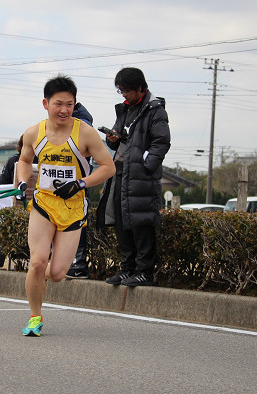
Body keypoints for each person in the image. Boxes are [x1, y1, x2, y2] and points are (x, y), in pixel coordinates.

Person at [16, 75, 115, 336]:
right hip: (43, 204)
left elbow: (108, 167)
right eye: (58, 104)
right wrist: (21, 183)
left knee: (58, 273)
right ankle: (35, 317)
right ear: (45, 103)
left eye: (69, 104)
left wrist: (81, 184)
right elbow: (24, 160)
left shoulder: (85, 132)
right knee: (37, 262)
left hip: (72, 207)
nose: (64, 110)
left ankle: (36, 279)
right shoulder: (33, 133)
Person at [97, 67, 171, 287]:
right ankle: (127, 268)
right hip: (121, 170)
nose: (124, 95)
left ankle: (144, 272)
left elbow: (162, 143)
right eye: (121, 91)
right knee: (121, 222)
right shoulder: (125, 109)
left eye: (127, 90)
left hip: (141, 175)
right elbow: (117, 139)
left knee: (141, 223)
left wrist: (146, 165)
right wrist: (112, 138)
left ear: (140, 87)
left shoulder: (155, 110)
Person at [65, 102, 94, 279]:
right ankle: (72, 264)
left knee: (76, 225)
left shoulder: (83, 127)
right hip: (63, 186)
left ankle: (78, 264)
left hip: (77, 187)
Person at [0, 135, 24, 269]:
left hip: (36, 204)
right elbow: (3, 181)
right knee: (3, 226)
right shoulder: (13, 161)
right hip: (13, 204)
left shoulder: (41, 161)